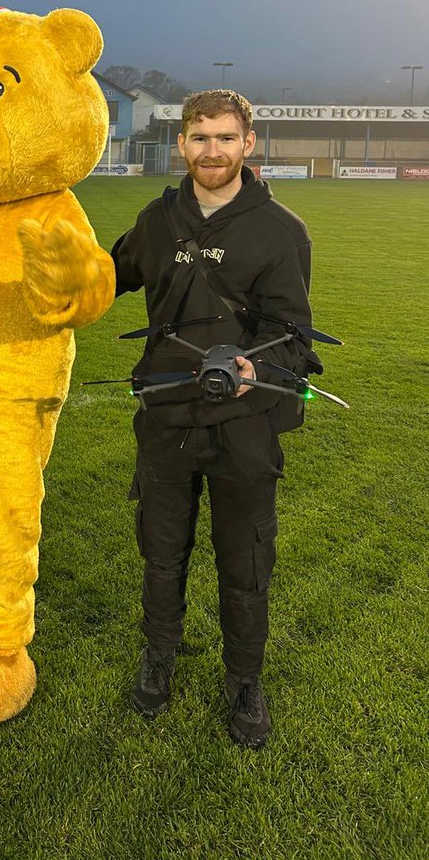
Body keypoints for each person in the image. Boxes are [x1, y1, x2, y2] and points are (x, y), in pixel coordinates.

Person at [111, 89, 318, 748]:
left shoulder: (281, 231)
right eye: (200, 138)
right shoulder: (156, 221)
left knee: (245, 562)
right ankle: (159, 659)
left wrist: (260, 367)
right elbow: (99, 278)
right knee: (162, 554)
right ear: (181, 145)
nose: (212, 151)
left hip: (245, 426)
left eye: (225, 138)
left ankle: (245, 680)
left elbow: (296, 336)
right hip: (168, 416)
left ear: (247, 144)